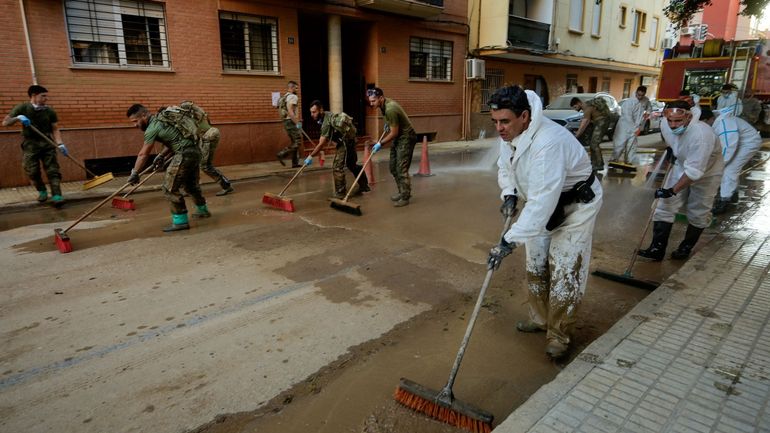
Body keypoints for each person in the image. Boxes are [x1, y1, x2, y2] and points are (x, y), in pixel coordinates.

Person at [486, 85, 603, 359]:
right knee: (536, 262)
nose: (499, 129)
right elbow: (507, 167)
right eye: (495, 122)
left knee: (564, 268)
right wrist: (510, 194)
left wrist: (507, 241)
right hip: (544, 203)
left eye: (505, 121)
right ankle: (539, 319)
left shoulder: (548, 142)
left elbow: (541, 203)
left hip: (576, 207)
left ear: (524, 116)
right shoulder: (511, 136)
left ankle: (559, 334)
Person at [638, 100, 723, 261]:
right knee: (663, 205)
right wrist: (672, 148)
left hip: (708, 173)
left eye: (678, 121)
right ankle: (657, 249)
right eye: (670, 120)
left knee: (699, 210)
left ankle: (685, 248)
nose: (673, 125)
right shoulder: (666, 124)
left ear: (689, 117)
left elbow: (694, 172)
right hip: (682, 165)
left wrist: (672, 190)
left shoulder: (701, 135)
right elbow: (671, 139)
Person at [126, 104, 210, 232]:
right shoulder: (163, 120)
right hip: (194, 152)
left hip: (183, 154)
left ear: (144, 115)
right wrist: (161, 156)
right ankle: (202, 210)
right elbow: (175, 140)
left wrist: (135, 172)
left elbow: (143, 154)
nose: (135, 125)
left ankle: (180, 221)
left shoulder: (152, 128)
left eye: (135, 121)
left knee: (169, 188)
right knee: (190, 186)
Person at [3, 85, 68, 206]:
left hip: (47, 143)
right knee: (32, 171)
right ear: (33, 95)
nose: (46, 98)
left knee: (53, 170)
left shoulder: (49, 111)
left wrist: (60, 143)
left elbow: (55, 128)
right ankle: (42, 191)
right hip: (30, 144)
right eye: (43, 96)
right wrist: (18, 118)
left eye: (46, 96)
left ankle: (57, 195)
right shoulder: (22, 108)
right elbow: (5, 122)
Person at [702, 107, 762, 213]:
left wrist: (719, 164)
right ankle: (733, 194)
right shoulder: (717, 122)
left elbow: (728, 148)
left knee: (729, 170)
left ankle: (725, 201)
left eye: (705, 123)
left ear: (710, 119)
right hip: (739, 142)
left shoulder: (725, 124)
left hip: (749, 143)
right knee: (731, 170)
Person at [305, 100, 369, 198]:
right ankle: (364, 185)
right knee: (352, 165)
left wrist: (311, 156)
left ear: (321, 110)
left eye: (314, 112)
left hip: (344, 143)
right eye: (311, 112)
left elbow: (321, 144)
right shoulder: (327, 115)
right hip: (349, 141)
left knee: (337, 167)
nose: (312, 114)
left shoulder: (326, 122)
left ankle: (340, 193)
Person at [366, 87, 417, 207]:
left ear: (381, 98)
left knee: (401, 168)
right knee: (393, 167)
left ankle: (405, 196)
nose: (371, 103)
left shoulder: (390, 109)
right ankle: (401, 191)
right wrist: (388, 124)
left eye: (373, 101)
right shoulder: (383, 106)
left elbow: (394, 133)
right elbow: (393, 126)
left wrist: (380, 144)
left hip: (406, 137)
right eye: (370, 101)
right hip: (399, 136)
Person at [180, 101, 234, 196]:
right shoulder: (194, 116)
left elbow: (198, 113)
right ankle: (192, 188)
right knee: (197, 164)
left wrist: (190, 106)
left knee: (205, 166)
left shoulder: (197, 114)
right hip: (206, 138)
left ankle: (226, 186)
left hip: (208, 137)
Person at [611, 86, 648, 165]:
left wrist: (646, 115)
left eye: (642, 95)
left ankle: (629, 161)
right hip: (624, 127)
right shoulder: (629, 102)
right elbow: (628, 117)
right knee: (619, 145)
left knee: (632, 146)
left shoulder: (646, 100)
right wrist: (636, 129)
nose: (640, 97)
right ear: (636, 92)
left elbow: (648, 110)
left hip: (636, 127)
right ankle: (614, 160)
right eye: (638, 95)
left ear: (644, 94)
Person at [572, 96, 610, 172]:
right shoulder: (587, 106)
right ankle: (593, 163)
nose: (575, 109)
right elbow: (586, 123)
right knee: (592, 144)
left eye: (575, 107)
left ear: (579, 103)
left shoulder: (587, 108)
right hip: (600, 122)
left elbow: (584, 124)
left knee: (594, 144)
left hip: (602, 122)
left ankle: (599, 164)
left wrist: (577, 135)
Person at [276, 81, 302, 168]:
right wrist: (297, 122)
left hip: (286, 122)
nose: (297, 90)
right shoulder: (293, 97)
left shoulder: (285, 97)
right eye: (296, 88)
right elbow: (290, 111)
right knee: (298, 142)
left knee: (294, 142)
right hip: (290, 121)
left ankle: (295, 163)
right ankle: (282, 154)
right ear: (292, 88)